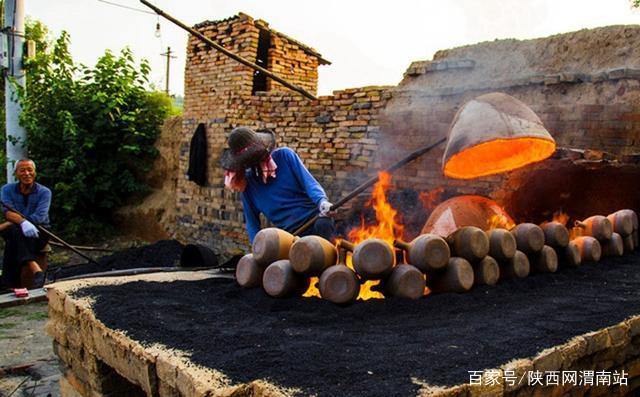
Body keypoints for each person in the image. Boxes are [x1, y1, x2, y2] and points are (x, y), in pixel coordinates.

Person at [221, 127, 335, 244]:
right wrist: (257, 247)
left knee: (324, 225)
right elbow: (252, 225)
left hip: (315, 220)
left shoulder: (285, 156)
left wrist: (322, 201)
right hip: (291, 237)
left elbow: (310, 184)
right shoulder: (248, 186)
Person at [0, 159, 51, 289]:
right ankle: (35, 269)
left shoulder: (44, 192)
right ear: (16, 173)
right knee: (16, 231)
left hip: (39, 232)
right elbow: (7, 212)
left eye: (30, 170)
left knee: (13, 235)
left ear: (35, 172)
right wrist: (22, 222)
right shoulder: (7, 190)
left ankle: (9, 284)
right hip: (15, 230)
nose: (27, 173)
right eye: (22, 170)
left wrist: (10, 223)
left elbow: (39, 217)